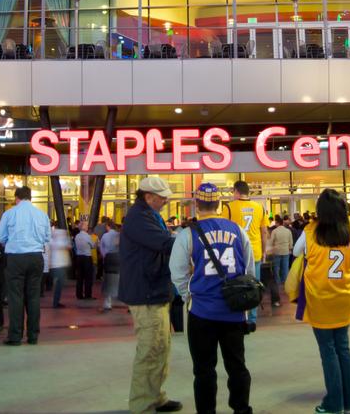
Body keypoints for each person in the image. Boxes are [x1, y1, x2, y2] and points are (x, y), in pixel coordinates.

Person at [170, 182, 254, 414]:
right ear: (219, 204)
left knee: (204, 370)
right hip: (234, 312)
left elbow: (176, 271)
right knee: (237, 366)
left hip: (201, 312)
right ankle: (241, 409)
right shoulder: (238, 230)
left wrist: (189, 296)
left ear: (197, 204)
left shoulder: (188, 234)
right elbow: (249, 269)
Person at [293, 189, 350, 414]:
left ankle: (334, 403)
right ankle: (348, 404)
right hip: (342, 297)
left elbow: (296, 252)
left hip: (319, 299)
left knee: (328, 351)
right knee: (343, 348)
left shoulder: (311, 231)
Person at [120, 176, 183, 414]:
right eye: (162, 197)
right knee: (150, 350)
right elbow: (165, 244)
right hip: (145, 291)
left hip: (153, 289)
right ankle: (142, 404)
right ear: (148, 197)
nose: (166, 200)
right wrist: (188, 240)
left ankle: (155, 396)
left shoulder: (147, 216)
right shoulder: (139, 218)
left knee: (160, 347)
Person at [0, 185, 51, 346]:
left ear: (16, 198)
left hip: (15, 258)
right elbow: (47, 237)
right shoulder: (41, 215)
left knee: (15, 296)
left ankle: (15, 336)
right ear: (30, 197)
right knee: (33, 297)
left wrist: (10, 241)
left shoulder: (10, 213)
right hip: (36, 256)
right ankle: (33, 336)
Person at [223, 180, 267, 331]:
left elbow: (224, 230)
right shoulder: (260, 208)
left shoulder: (228, 207)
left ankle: (240, 317)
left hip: (236, 253)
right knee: (253, 286)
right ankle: (252, 320)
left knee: (237, 286)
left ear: (236, 191)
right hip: (255, 252)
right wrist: (265, 250)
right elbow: (264, 232)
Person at [267, 214, 293, 307]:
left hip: (277, 251)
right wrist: (290, 248)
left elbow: (271, 241)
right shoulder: (288, 231)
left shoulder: (274, 231)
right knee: (285, 268)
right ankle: (285, 282)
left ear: (278, 223)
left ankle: (277, 282)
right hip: (286, 251)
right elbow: (291, 242)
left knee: (276, 268)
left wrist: (270, 249)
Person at [48, 224, 71, 308]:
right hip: (59, 265)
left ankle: (56, 301)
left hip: (57, 264)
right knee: (59, 283)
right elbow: (67, 247)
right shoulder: (60, 238)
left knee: (59, 283)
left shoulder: (52, 239)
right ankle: (55, 302)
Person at [99, 222, 121, 312]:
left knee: (108, 279)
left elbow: (101, 247)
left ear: (108, 226)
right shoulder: (118, 234)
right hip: (118, 257)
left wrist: (105, 255)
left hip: (108, 258)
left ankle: (108, 303)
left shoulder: (104, 236)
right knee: (119, 277)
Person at [75, 218, 96, 300]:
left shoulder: (77, 236)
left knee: (79, 277)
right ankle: (87, 295)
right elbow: (93, 246)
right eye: (86, 225)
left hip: (79, 257)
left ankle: (79, 294)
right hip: (87, 257)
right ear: (83, 227)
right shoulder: (87, 236)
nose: (88, 227)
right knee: (88, 277)